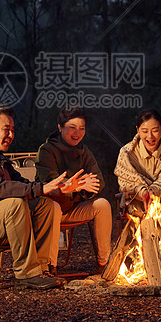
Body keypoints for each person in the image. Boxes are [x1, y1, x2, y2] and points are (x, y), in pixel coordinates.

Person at [0, 104, 97, 290]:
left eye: (12, 130)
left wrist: (59, 188)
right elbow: (0, 189)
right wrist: (42, 188)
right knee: (15, 204)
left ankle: (43, 269)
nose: (11, 135)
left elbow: (26, 185)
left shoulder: (0, 159)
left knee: (45, 204)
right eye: (6, 130)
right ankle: (27, 274)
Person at [35, 106, 111, 275]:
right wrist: (72, 186)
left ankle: (104, 263)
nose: (77, 133)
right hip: (47, 211)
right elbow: (49, 184)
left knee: (102, 205)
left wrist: (82, 189)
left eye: (81, 128)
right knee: (53, 206)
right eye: (72, 127)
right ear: (60, 127)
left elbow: (99, 180)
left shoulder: (84, 152)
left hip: (72, 208)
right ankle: (48, 267)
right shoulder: (46, 150)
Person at [114, 109, 161, 229]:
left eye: (155, 131)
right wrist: (143, 192)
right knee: (136, 211)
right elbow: (125, 180)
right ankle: (138, 246)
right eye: (144, 131)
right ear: (138, 130)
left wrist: (154, 192)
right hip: (136, 199)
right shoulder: (126, 153)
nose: (150, 136)